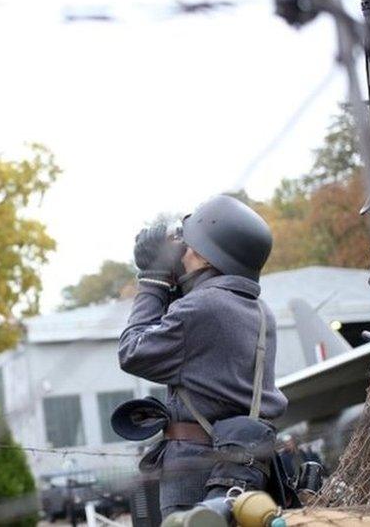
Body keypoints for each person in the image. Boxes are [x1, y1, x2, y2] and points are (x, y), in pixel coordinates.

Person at [118, 195, 288, 518]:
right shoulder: (260, 310)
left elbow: (132, 351)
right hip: (244, 466)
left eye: (189, 246)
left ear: (208, 259)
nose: (183, 253)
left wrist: (153, 279)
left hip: (195, 468)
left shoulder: (201, 308)